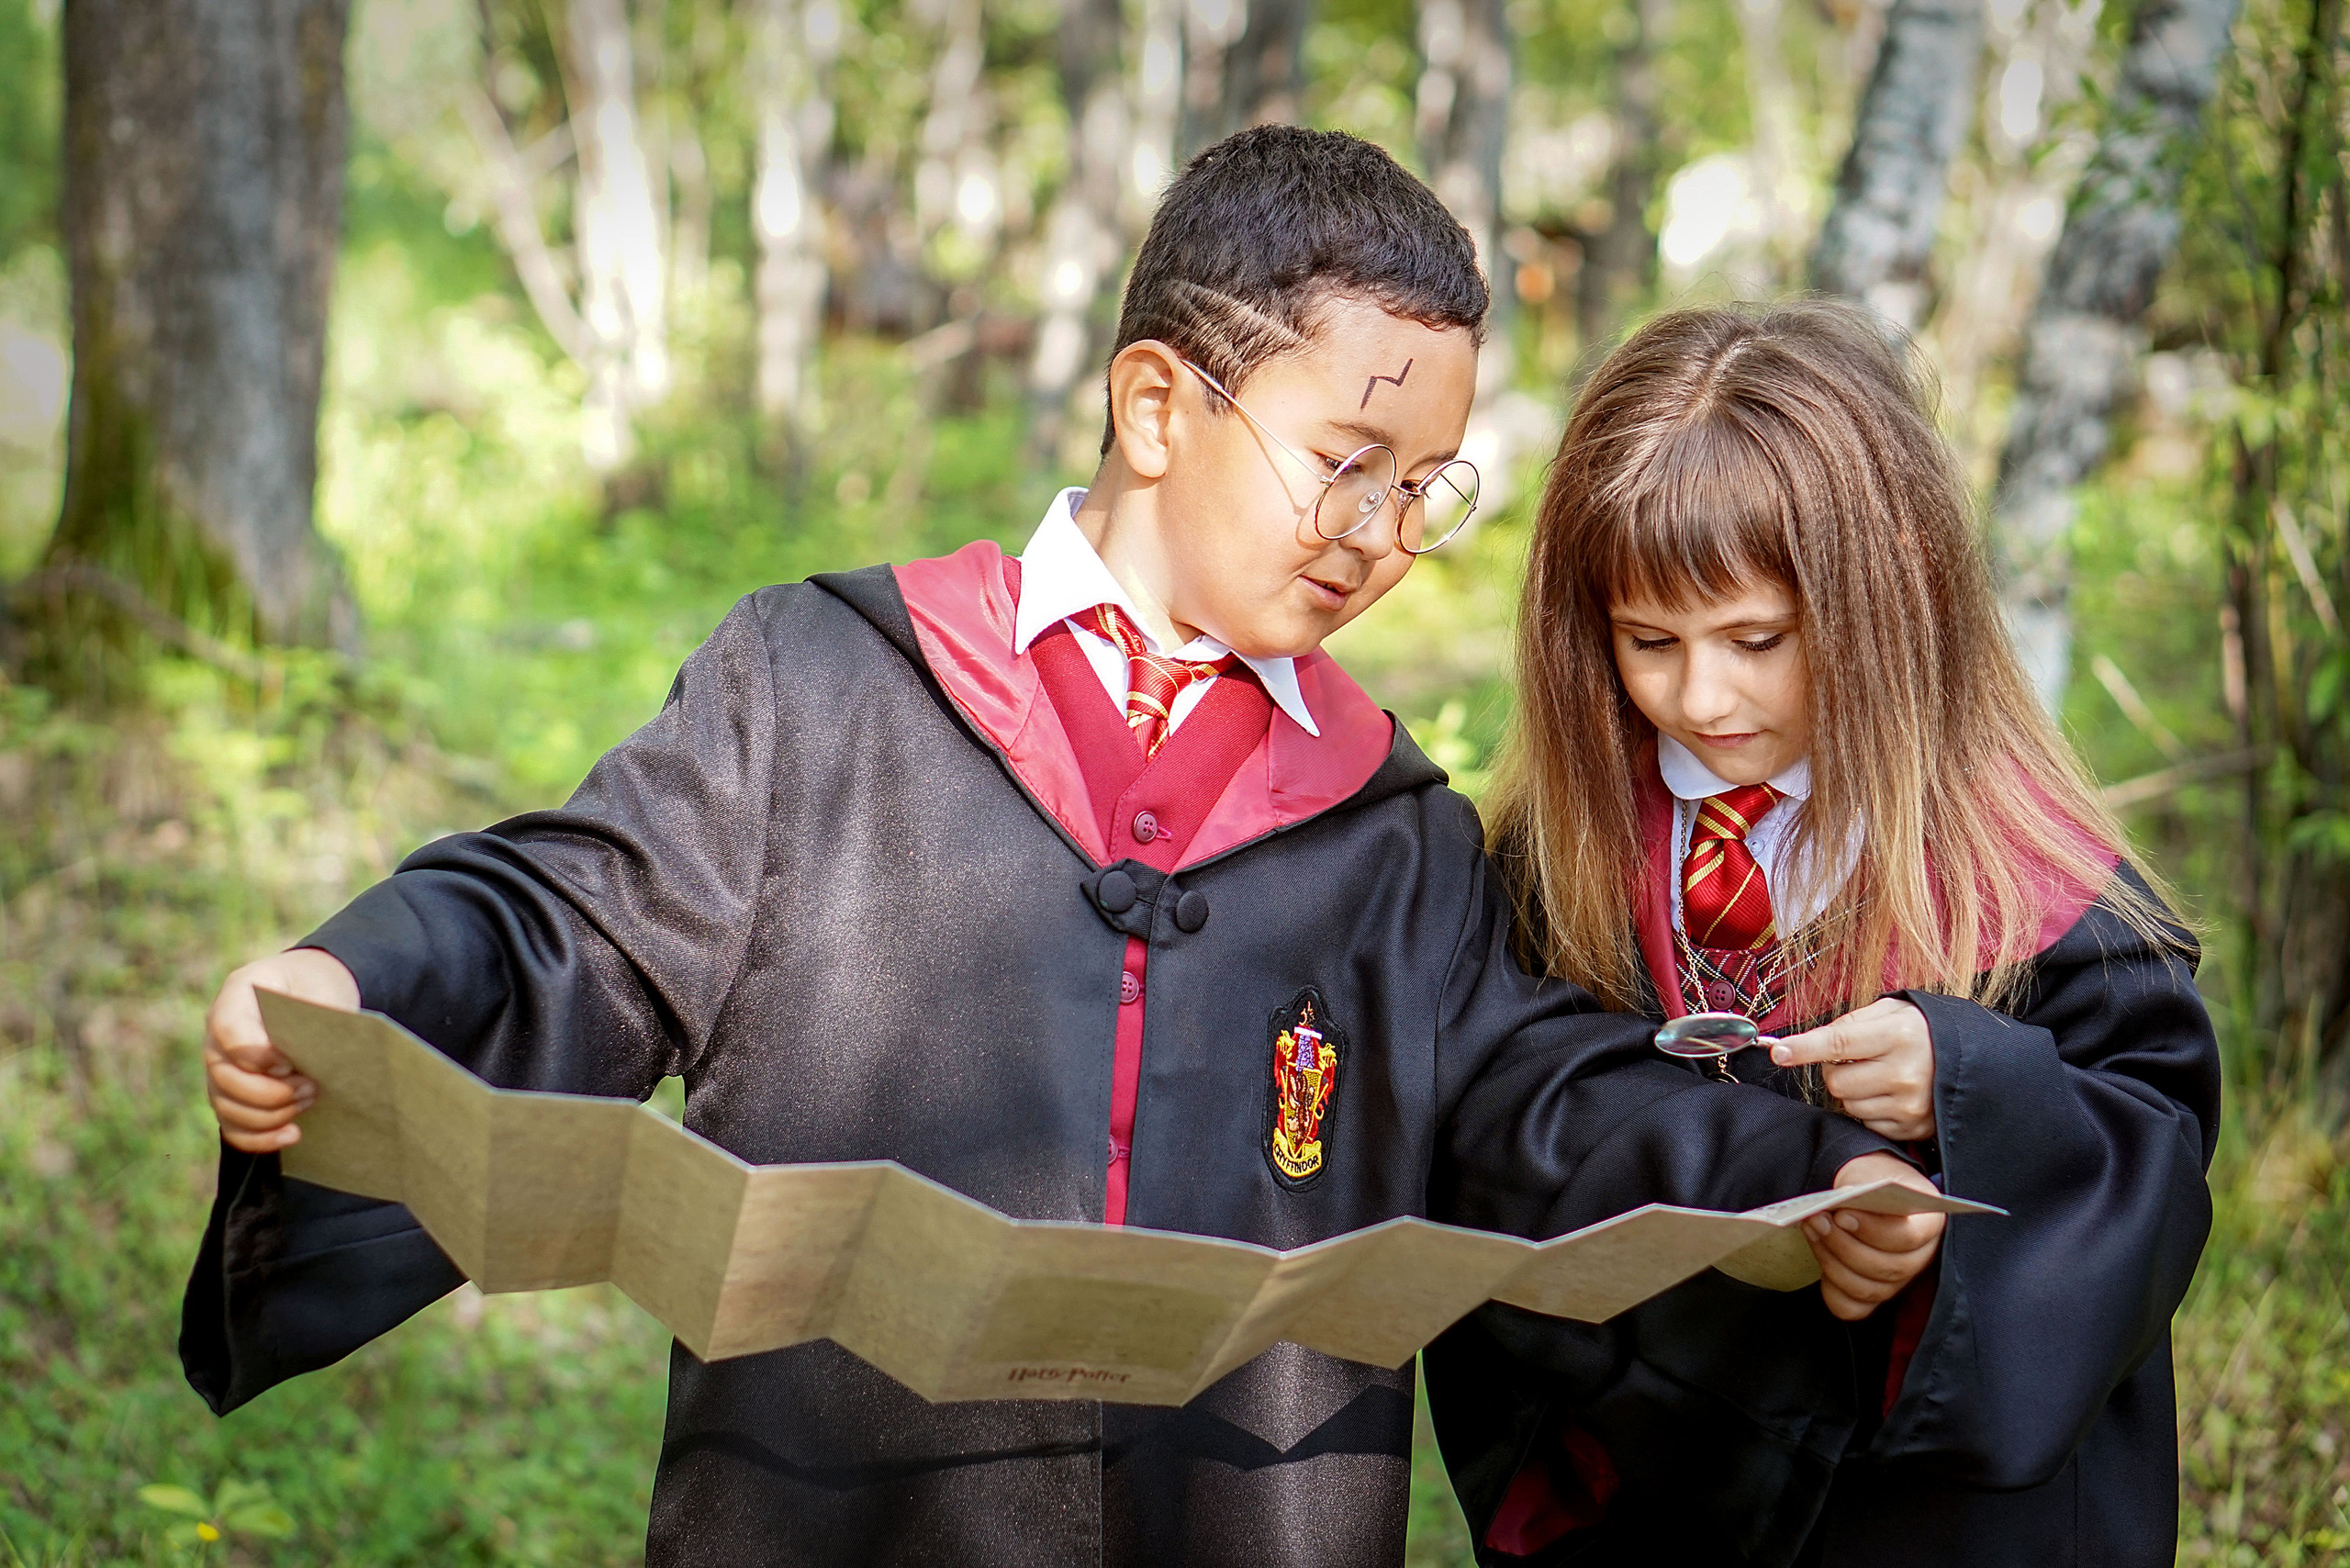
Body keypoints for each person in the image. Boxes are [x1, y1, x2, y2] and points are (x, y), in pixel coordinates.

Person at [185, 133, 1936, 1567]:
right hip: (841, 1514)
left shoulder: (1392, 836)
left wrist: (1790, 1185)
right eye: (1348, 462)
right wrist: (353, 988)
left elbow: (1545, 1097)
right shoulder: (822, 693)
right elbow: (570, 920)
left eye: (1426, 485)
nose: (1386, 537)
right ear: (1159, 410)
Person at [1423, 300, 2221, 1566]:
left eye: (1757, 639)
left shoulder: (2036, 885)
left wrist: (1965, 1085)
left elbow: (2150, 1169)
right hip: (1659, 1502)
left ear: (1891, 580)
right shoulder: (1554, 866)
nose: (1700, 698)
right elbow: (1494, 1125)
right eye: (1648, 642)